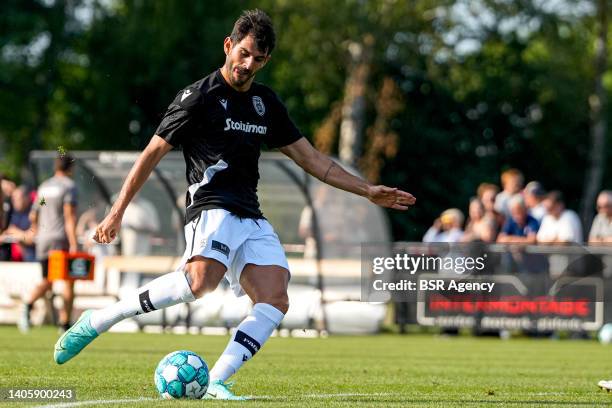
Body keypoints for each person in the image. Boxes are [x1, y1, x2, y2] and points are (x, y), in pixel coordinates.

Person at [53, 9, 416, 400]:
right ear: (228, 46)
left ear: (266, 60)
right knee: (200, 283)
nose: (247, 64)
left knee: (275, 297)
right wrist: (115, 213)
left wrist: (367, 190)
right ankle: (100, 319)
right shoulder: (198, 97)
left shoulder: (266, 103)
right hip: (210, 205)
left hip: (249, 214)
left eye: (257, 59)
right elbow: (150, 155)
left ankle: (216, 381)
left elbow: (313, 161)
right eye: (243, 53)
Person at [20, 155, 78, 333]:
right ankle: (65, 324)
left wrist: (34, 230)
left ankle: (28, 303)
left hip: (43, 240)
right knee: (68, 281)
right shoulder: (69, 186)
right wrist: (74, 243)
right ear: (70, 169)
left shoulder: (44, 187)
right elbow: (69, 218)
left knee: (48, 280)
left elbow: (34, 214)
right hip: (60, 239)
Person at [0, 186, 36, 261]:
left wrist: (16, 233)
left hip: (31, 256)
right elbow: (8, 232)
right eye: (13, 199)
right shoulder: (13, 213)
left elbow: (31, 238)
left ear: (27, 198)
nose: (15, 201)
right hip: (14, 258)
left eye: (18, 198)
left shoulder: (33, 214)